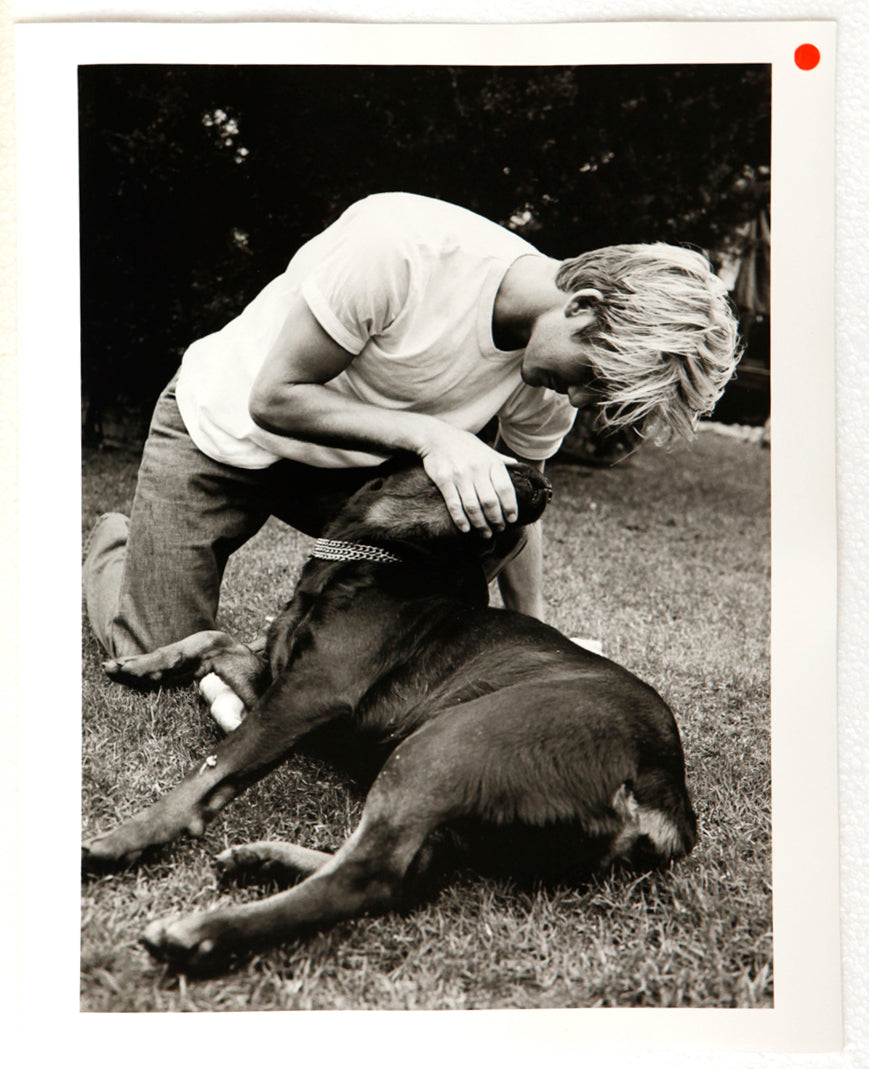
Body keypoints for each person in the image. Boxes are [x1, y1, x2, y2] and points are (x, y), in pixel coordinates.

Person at [84, 192, 740, 716]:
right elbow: (275, 399)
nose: (576, 397)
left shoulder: (550, 377)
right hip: (226, 432)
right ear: (583, 305)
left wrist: (531, 630)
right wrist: (436, 436)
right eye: (589, 376)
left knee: (483, 511)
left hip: (351, 480)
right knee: (155, 664)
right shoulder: (398, 249)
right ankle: (118, 542)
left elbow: (519, 511)